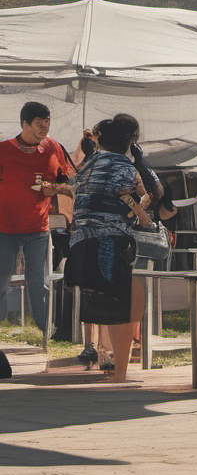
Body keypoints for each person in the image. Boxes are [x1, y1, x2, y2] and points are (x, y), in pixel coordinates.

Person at [67, 115, 156, 381]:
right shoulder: (125, 167)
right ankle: (120, 372)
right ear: (130, 140)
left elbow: (76, 190)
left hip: (81, 243)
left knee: (104, 305)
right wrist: (141, 212)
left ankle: (111, 364)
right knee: (124, 306)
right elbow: (136, 196)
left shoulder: (87, 164)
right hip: (110, 242)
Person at [0, 102, 73, 333]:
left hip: (38, 227)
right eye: (39, 124)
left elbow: (66, 180)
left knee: (37, 281)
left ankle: (46, 330)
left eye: (47, 123)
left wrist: (56, 189)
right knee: (1, 280)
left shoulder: (54, 148)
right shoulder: (3, 150)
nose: (44, 128)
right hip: (4, 227)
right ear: (24, 124)